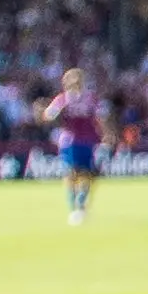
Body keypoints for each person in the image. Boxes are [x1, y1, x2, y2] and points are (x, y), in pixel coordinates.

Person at [40, 66, 102, 224]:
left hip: (87, 140)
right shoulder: (63, 99)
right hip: (70, 141)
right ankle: (75, 207)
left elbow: (101, 117)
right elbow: (49, 115)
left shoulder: (90, 99)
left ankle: (80, 204)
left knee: (87, 174)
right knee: (71, 174)